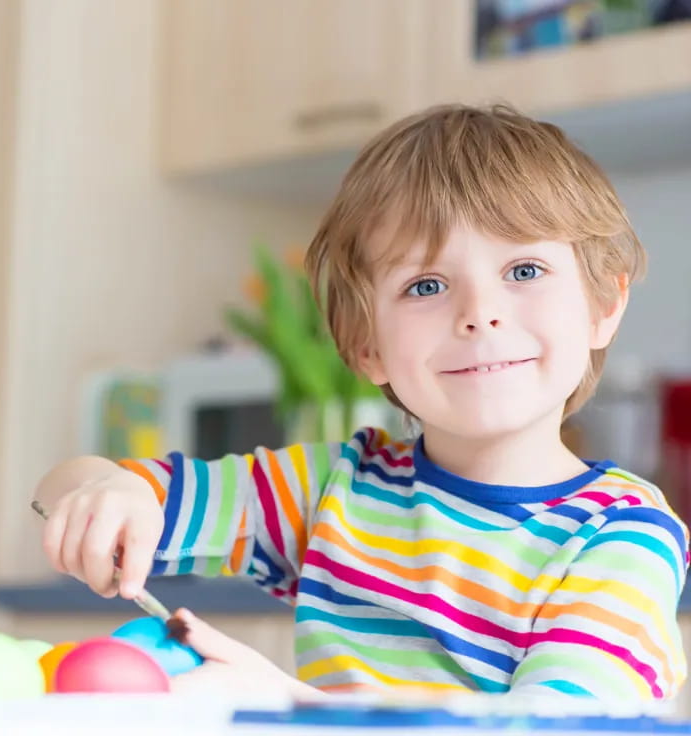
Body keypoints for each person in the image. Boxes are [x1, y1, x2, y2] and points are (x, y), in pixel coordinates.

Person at [35, 104, 688, 702]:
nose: (480, 313)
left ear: (603, 305)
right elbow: (77, 486)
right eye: (426, 285)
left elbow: (554, 725)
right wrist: (105, 493)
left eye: (524, 271)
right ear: (366, 346)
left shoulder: (623, 534)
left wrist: (296, 705)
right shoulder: (333, 489)